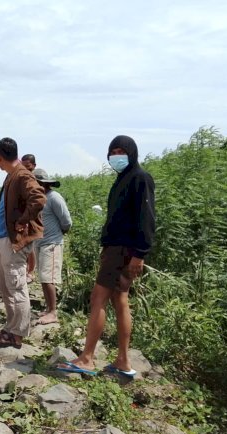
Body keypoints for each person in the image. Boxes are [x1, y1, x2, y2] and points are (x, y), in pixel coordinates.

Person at [58, 135, 155, 378]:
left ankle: (87, 358)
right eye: (113, 151)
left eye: (121, 151)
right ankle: (123, 361)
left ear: (132, 153)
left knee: (97, 299)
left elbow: (147, 218)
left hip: (124, 249)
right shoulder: (123, 179)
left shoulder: (140, 178)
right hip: (116, 248)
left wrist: (139, 254)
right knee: (119, 300)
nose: (116, 155)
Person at [0, 137, 46, 349]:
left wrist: (23, 221)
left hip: (13, 241)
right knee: (5, 287)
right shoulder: (11, 176)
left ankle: (18, 334)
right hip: (3, 239)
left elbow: (39, 198)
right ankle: (11, 328)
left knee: (16, 287)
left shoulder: (22, 175)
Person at [32, 168, 72, 325]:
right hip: (40, 242)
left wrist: (59, 234)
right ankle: (48, 309)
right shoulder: (38, 198)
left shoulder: (54, 197)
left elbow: (67, 221)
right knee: (43, 276)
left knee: (49, 278)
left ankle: (53, 312)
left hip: (52, 243)